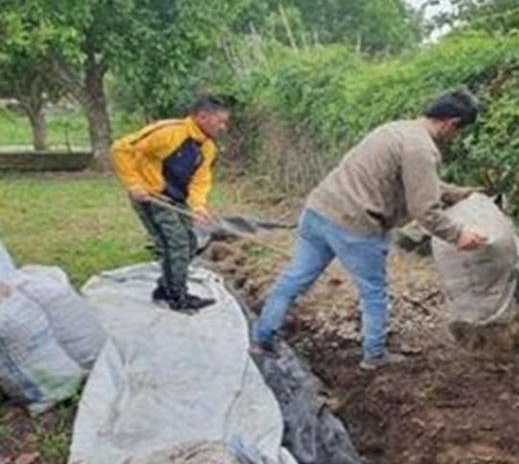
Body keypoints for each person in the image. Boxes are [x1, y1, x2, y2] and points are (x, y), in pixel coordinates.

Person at [251, 89, 487, 369]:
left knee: (294, 280)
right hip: (354, 224)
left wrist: (458, 193)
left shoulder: (396, 130)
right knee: (373, 293)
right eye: (458, 132)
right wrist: (459, 235)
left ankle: (261, 340)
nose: (454, 138)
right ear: (452, 123)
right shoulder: (421, 148)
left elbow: (417, 183)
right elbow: (425, 210)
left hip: (318, 211)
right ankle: (374, 356)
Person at [111, 95, 231, 312]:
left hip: (177, 200)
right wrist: (133, 184)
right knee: (175, 245)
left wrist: (198, 205)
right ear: (203, 117)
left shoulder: (207, 148)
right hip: (152, 198)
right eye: (220, 121)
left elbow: (200, 180)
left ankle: (165, 288)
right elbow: (121, 149)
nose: (224, 127)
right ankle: (176, 297)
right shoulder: (169, 132)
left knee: (190, 244)